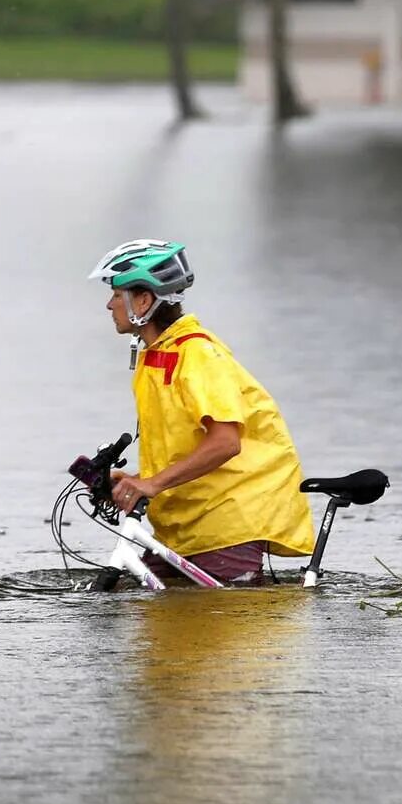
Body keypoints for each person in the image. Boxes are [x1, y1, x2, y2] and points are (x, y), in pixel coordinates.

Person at [87, 239, 315, 585]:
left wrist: (152, 483)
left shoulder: (197, 355)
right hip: (186, 522)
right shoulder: (157, 356)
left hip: (228, 519)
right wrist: (134, 480)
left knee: (219, 621)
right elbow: (180, 443)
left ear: (144, 300)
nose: (109, 304)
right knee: (156, 616)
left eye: (117, 294)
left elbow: (226, 442)